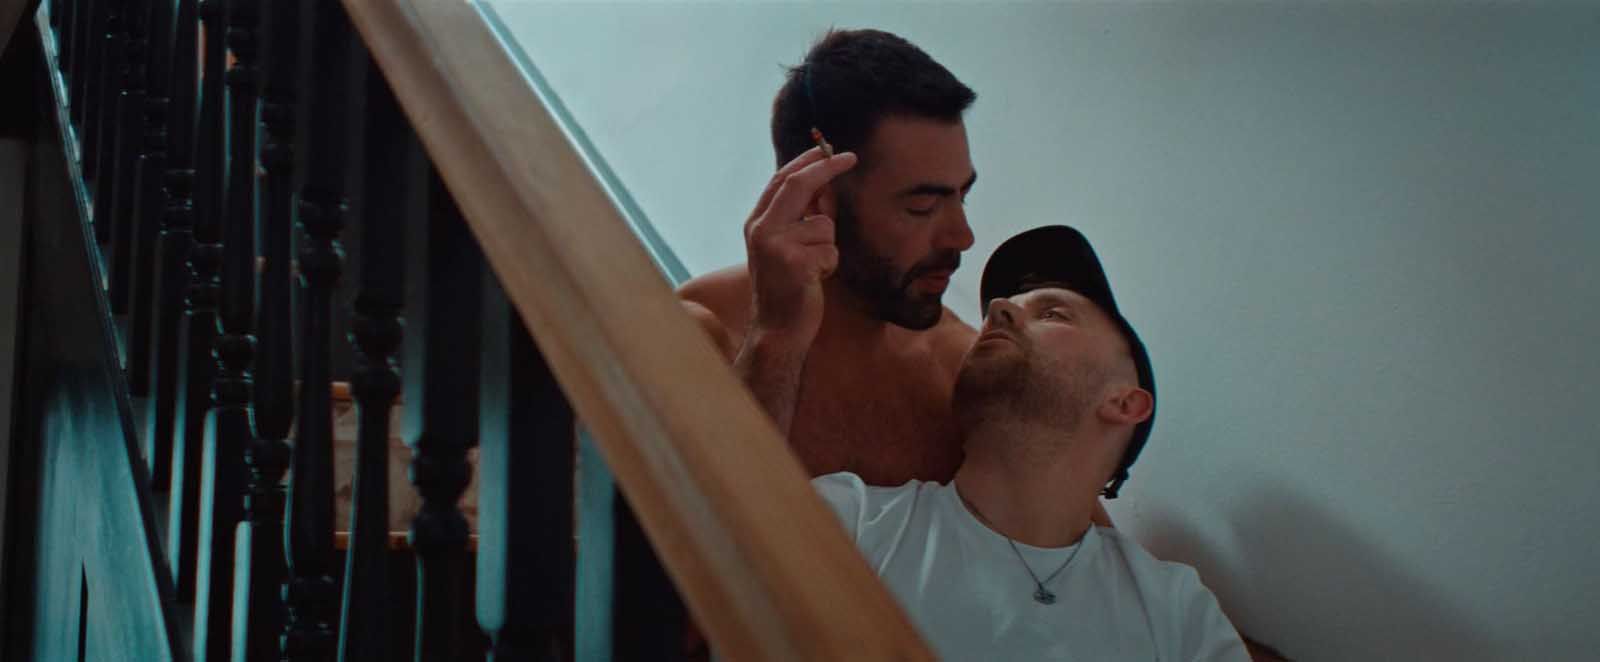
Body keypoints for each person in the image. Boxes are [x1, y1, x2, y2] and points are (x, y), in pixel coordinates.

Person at [680, 29, 1112, 528]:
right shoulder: (697, 335)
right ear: (818, 199)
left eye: (962, 197)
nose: (963, 236)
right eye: (923, 205)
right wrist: (777, 339)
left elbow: (1087, 559)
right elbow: (688, 541)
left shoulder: (959, 372)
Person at [798, 226, 1251, 660]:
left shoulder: (1176, 608)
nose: (998, 310)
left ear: (1124, 403)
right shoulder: (850, 520)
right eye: (997, 312)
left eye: (1052, 313)